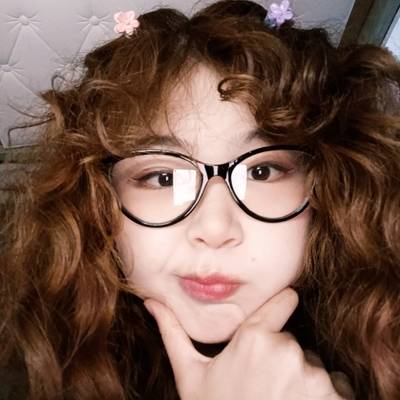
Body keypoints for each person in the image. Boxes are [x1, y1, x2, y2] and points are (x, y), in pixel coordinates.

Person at [0, 0, 399, 399]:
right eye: (163, 177)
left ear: (330, 184)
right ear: (98, 199)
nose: (214, 229)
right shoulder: (26, 362)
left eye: (262, 172)